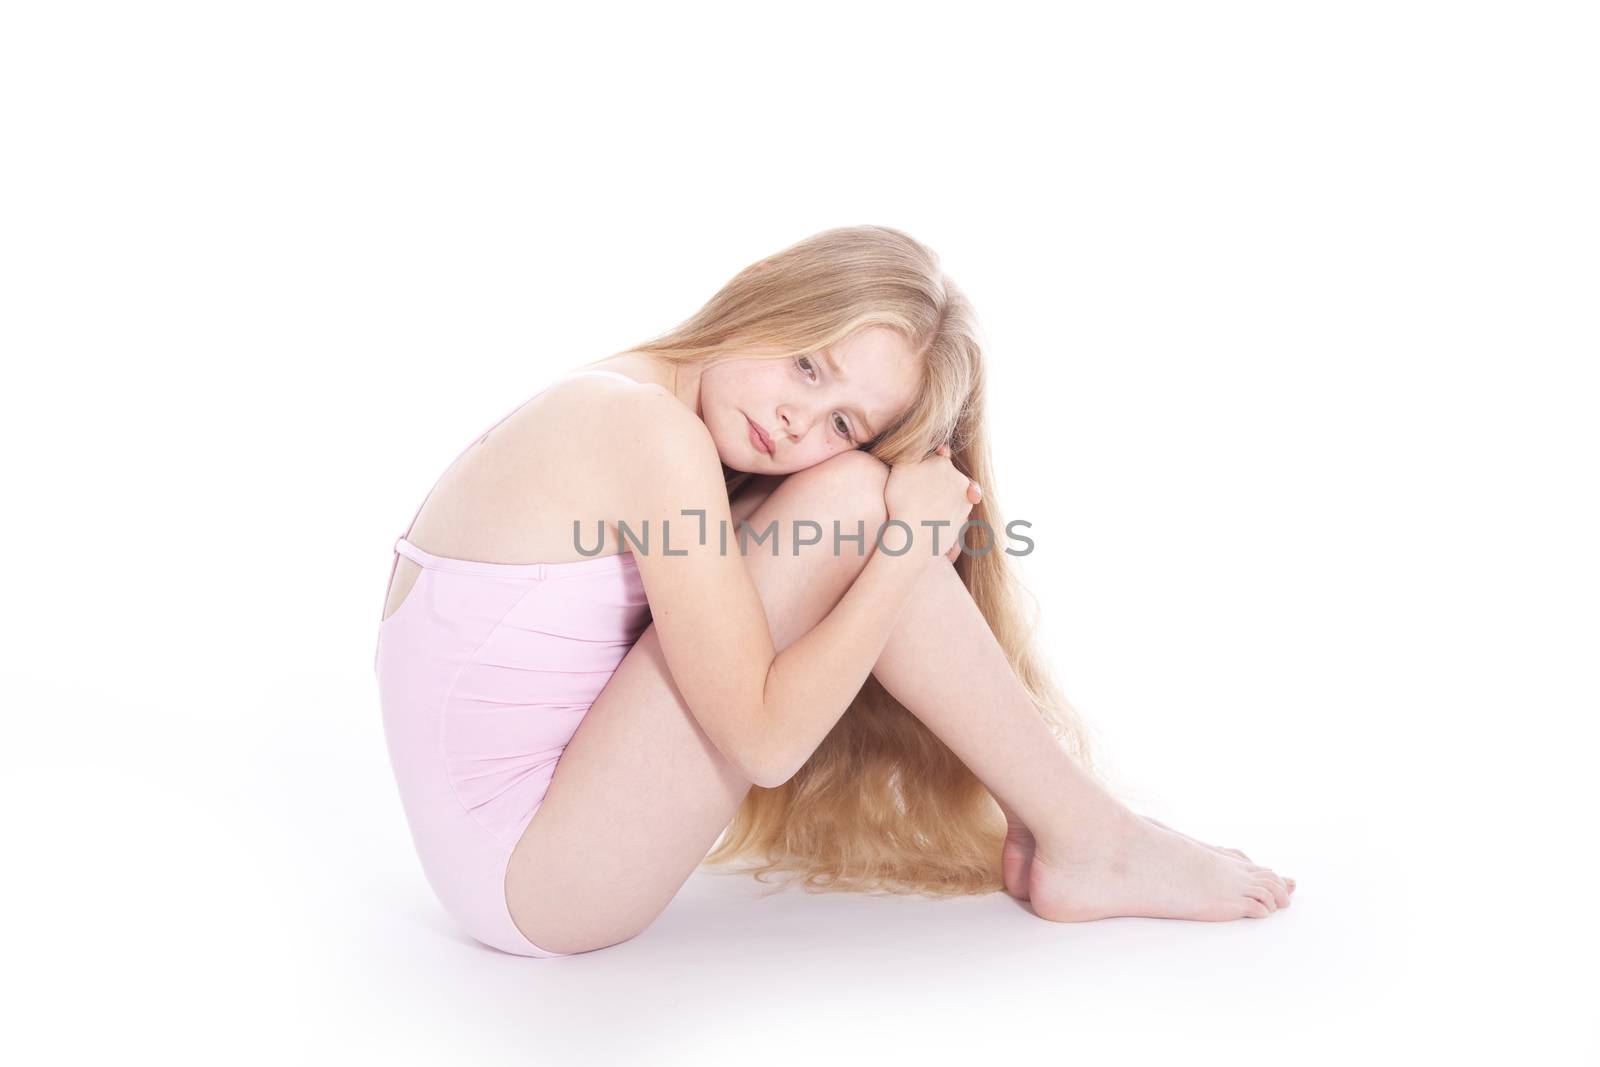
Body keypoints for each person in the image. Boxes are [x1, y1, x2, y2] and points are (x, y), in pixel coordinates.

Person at [374, 224, 1294, 958]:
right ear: (767, 290)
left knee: (851, 498)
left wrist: (890, 542)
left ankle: (1072, 829)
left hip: (509, 863)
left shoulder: (636, 400)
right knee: (855, 500)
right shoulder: (642, 429)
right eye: (808, 365)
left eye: (842, 420)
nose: (794, 420)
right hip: (537, 881)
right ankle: (1091, 838)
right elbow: (768, 744)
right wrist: (903, 549)